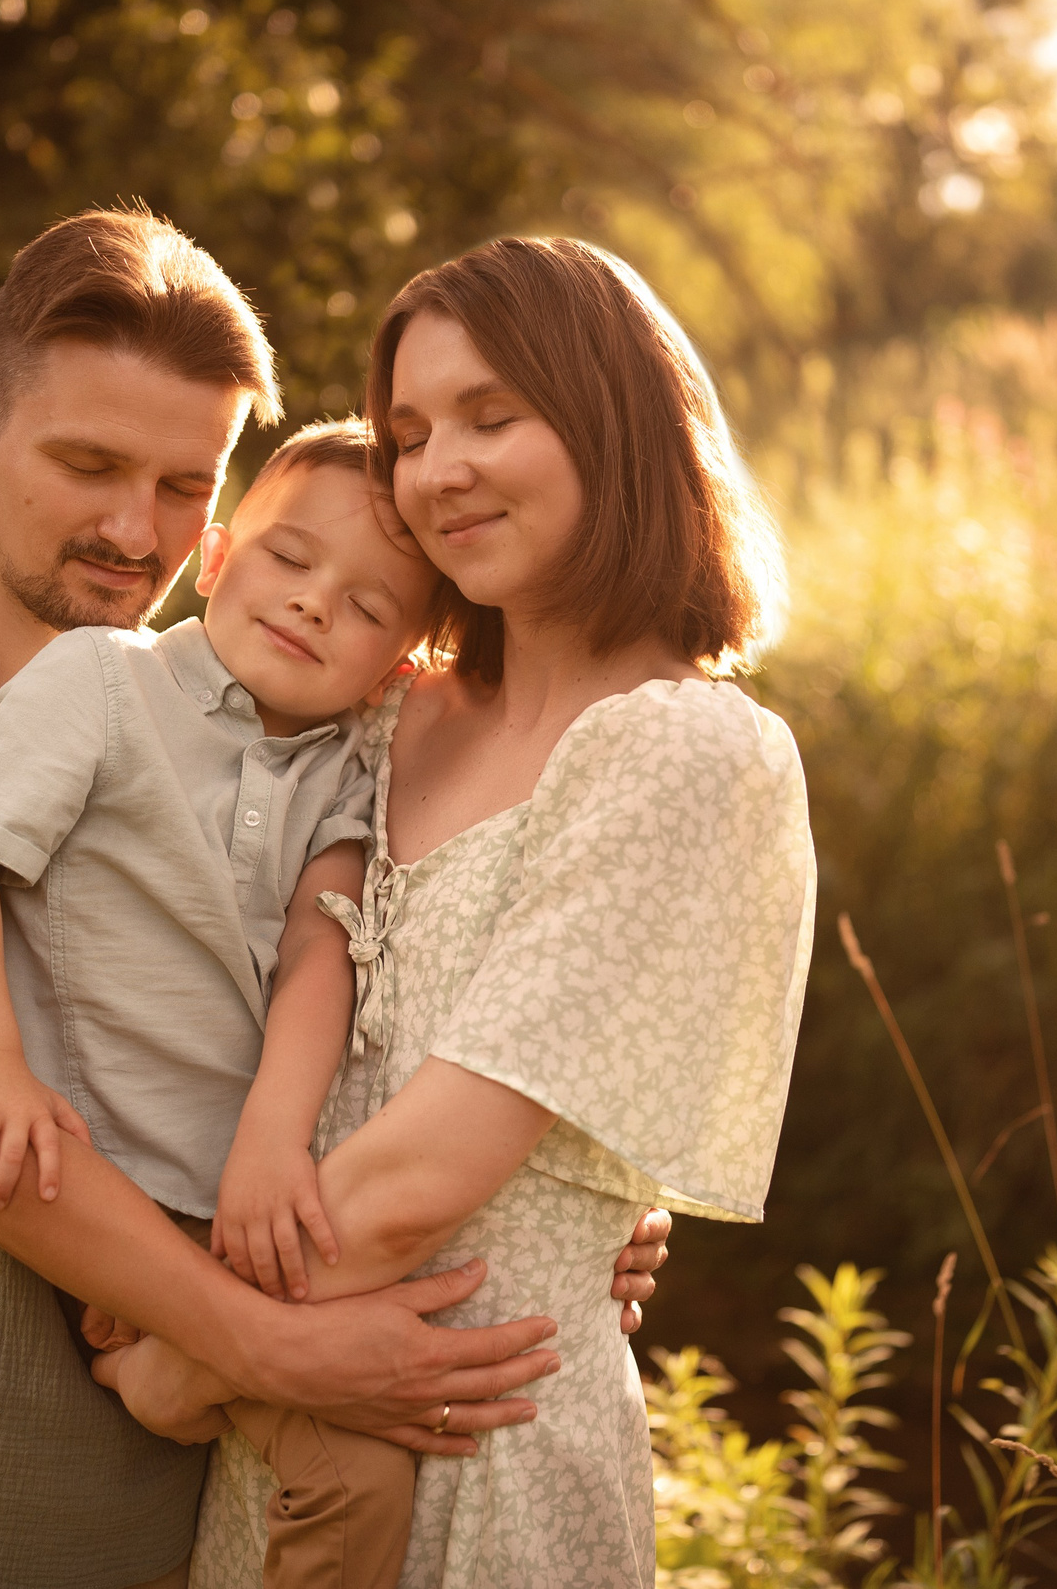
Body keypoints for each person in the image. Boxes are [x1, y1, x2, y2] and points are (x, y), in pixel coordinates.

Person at [0, 207, 668, 1589]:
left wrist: (560, 1205)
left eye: (184, 485)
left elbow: (389, 975)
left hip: (166, 1522)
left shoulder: (294, 723)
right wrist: (262, 1342)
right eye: (87, 463)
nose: (135, 529)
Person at [107, 235, 817, 1588]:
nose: (437, 471)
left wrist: (176, 1353)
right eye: (413, 431)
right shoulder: (384, 709)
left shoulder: (683, 747)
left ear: (613, 419)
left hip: (480, 1433)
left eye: (494, 415)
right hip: (282, 1431)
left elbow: (423, 1180)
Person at [0, 419, 441, 1589]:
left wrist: (267, 1139)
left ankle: (169, 1370)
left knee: (397, 1429)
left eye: (365, 606)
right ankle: (151, 1356)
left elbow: (321, 953)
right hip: (102, 1196)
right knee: (353, 1458)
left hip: (241, 1210)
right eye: (289, 559)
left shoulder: (352, 765)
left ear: (401, 662)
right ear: (213, 555)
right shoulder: (104, 677)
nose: (311, 604)